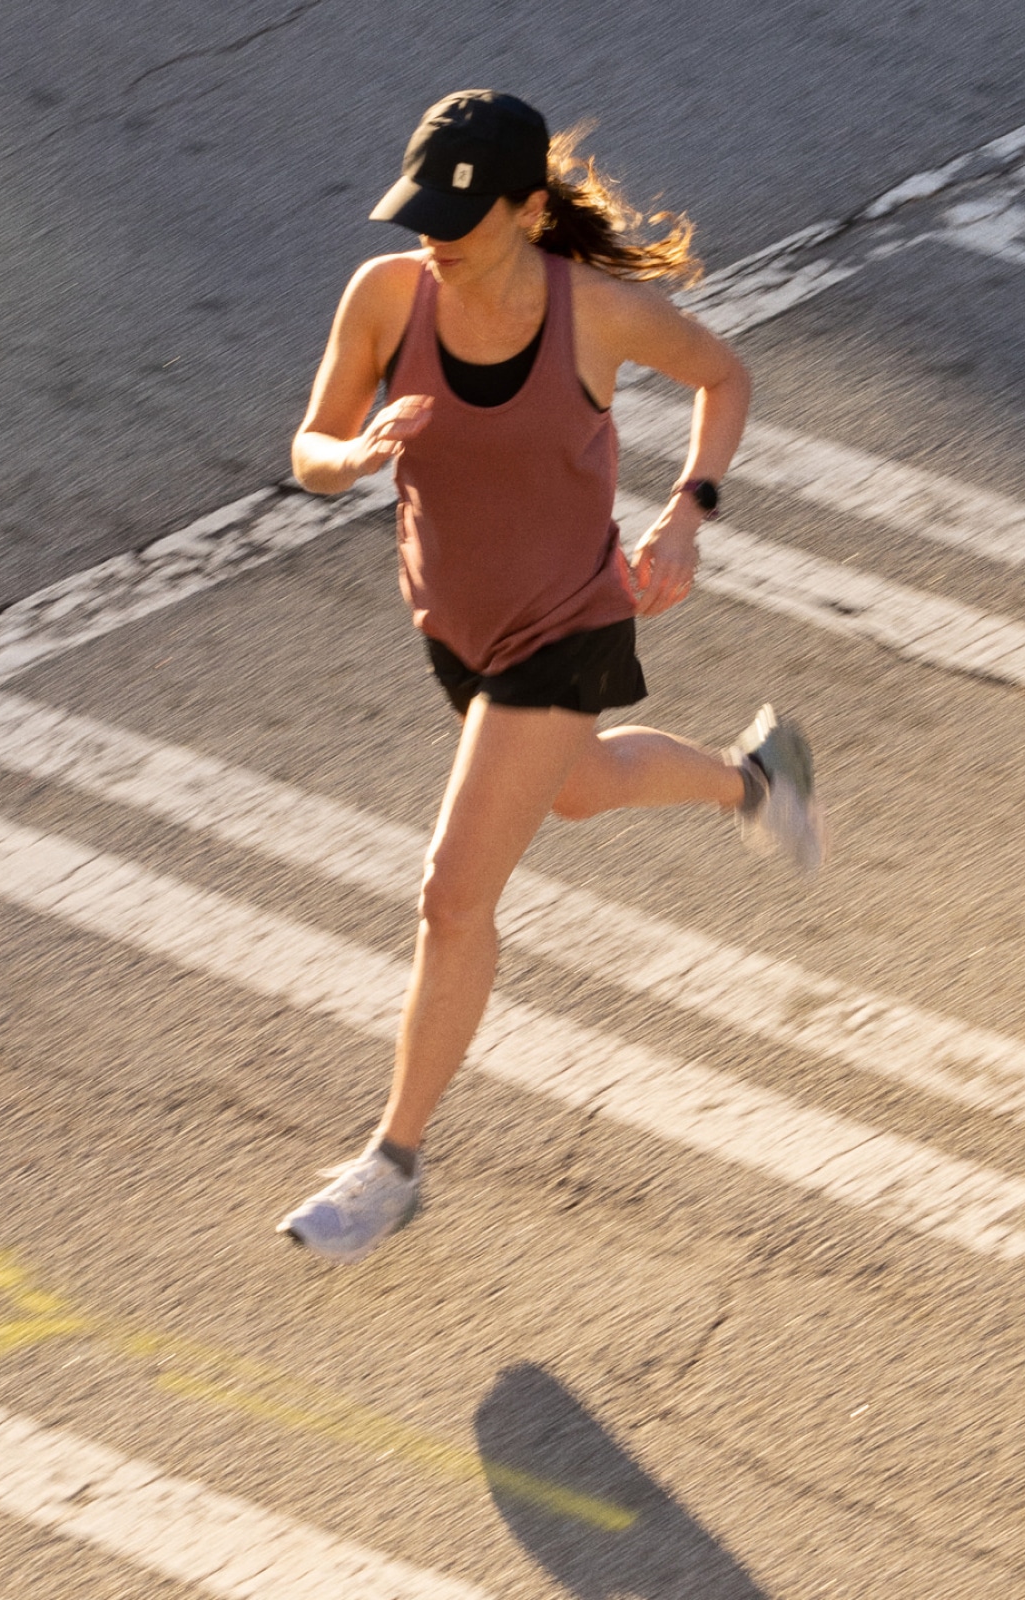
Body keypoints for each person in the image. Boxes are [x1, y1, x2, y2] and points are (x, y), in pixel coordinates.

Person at [279, 90, 826, 1263]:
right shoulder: (386, 299)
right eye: (421, 208)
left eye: (460, 215)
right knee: (571, 785)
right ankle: (757, 779)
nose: (432, 233)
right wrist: (354, 454)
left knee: (452, 891)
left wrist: (687, 517)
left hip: (565, 621)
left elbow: (723, 378)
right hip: (457, 626)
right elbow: (309, 448)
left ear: (529, 211)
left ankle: (393, 1161)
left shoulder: (598, 318)